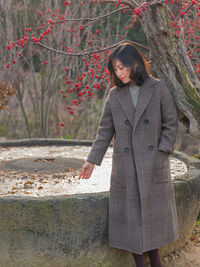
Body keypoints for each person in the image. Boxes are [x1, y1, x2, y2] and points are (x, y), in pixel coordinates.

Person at [78, 42, 179, 267]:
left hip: (154, 164)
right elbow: (105, 131)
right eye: (115, 69)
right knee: (132, 219)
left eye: (123, 67)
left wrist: (162, 152)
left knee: (152, 218)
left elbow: (170, 124)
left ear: (135, 64)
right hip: (126, 166)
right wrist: (91, 160)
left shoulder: (158, 88)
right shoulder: (115, 95)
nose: (119, 73)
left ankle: (156, 261)